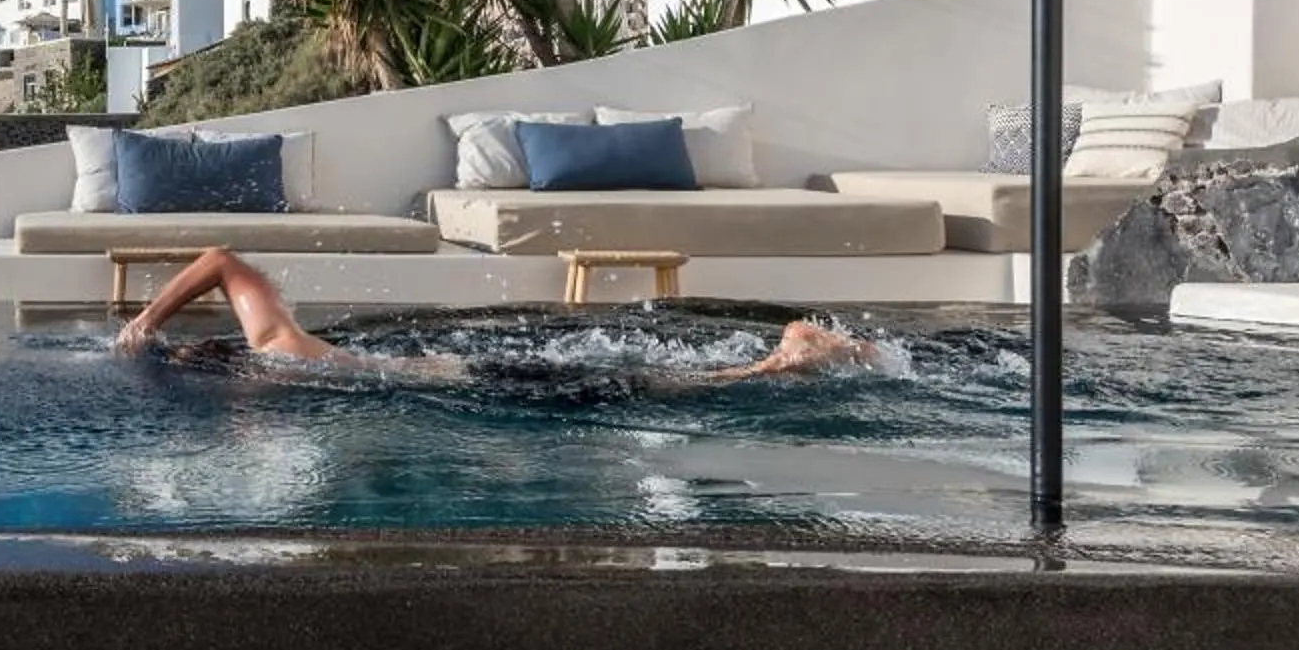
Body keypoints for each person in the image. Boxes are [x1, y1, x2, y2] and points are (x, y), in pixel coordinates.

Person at [112, 247, 879, 381]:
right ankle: (780, 359)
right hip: (467, 368)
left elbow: (217, 256)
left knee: (654, 387)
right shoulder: (280, 338)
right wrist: (146, 322)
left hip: (473, 381)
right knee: (637, 375)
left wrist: (148, 336)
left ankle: (783, 362)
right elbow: (220, 261)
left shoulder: (273, 369)